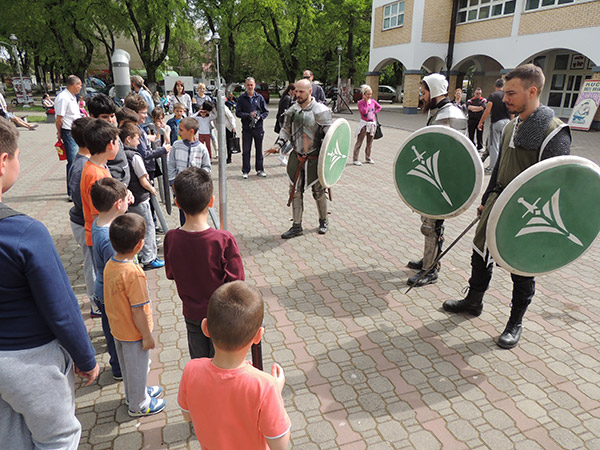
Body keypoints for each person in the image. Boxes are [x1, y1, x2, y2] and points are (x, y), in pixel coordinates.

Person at [442, 64, 571, 349]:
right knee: (480, 252)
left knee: (521, 268)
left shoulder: (554, 132)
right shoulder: (513, 125)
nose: (505, 98)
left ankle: (515, 322)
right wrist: (487, 198)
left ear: (532, 91)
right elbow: (500, 168)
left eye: (512, 93)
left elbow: (559, 183)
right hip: (498, 202)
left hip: (530, 212)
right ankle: (474, 301)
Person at [0, 119, 99, 449]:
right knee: (58, 437)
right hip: (29, 360)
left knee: (11, 437)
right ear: (3, 161)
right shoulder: (24, 234)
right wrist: (86, 359)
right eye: (16, 156)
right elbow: (62, 309)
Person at [178, 281, 290, 449]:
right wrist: (276, 393)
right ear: (258, 336)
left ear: (205, 328)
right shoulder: (265, 387)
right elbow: (280, 444)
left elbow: (187, 415)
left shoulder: (191, 370)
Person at [165, 167, 245, 359]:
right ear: (211, 201)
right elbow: (237, 282)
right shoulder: (223, 239)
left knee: (200, 363)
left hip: (192, 314)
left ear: (177, 203)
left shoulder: (171, 238)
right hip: (221, 316)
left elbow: (170, 274)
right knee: (222, 363)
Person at [406, 73, 467, 287]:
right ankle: (428, 258)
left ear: (434, 91)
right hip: (432, 176)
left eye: (424, 92)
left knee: (433, 225)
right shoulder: (438, 111)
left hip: (442, 179)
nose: (421, 96)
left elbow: (454, 153)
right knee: (428, 223)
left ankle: (430, 270)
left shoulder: (450, 114)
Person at [104, 213, 166, 416]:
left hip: (118, 329)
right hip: (134, 333)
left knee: (128, 367)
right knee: (139, 367)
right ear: (140, 244)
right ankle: (138, 404)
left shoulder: (110, 264)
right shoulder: (134, 273)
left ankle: (134, 394)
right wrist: (147, 336)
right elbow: (137, 309)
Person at [266, 78, 333, 238]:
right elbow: (286, 130)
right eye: (296, 91)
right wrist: (278, 145)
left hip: (315, 157)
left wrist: (329, 161)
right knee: (295, 191)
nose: (298, 94)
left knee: (318, 190)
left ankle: (323, 220)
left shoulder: (321, 110)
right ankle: (297, 226)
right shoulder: (292, 110)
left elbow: (330, 137)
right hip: (296, 156)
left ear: (310, 91)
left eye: (301, 91)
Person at [90, 177, 129, 380]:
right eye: (125, 199)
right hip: (112, 293)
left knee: (109, 329)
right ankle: (120, 368)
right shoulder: (110, 239)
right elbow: (117, 271)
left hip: (101, 290)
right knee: (117, 332)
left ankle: (117, 365)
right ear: (117, 204)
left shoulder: (100, 224)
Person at [68, 116, 101, 318]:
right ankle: (95, 304)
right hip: (85, 222)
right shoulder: (82, 168)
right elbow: (81, 201)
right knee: (92, 265)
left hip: (86, 221)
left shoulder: (83, 163)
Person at [119, 121, 163, 270]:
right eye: (137, 138)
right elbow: (143, 179)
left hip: (129, 199)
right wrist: (152, 189)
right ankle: (150, 258)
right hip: (141, 197)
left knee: (133, 228)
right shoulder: (135, 156)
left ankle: (136, 255)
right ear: (128, 139)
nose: (139, 142)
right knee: (148, 227)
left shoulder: (121, 155)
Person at [80, 118, 120, 249]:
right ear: (110, 145)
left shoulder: (95, 166)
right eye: (118, 142)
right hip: (104, 237)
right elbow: (99, 213)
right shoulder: (96, 175)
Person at [168, 118, 211, 226]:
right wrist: (173, 183)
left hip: (196, 189)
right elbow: (171, 165)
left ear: (191, 131)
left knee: (196, 214)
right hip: (180, 188)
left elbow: (207, 168)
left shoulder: (202, 148)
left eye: (181, 130)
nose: (178, 132)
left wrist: (199, 177)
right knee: (183, 215)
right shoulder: (177, 146)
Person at [88, 94, 131, 187]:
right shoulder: (96, 138)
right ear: (92, 116)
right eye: (105, 117)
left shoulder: (113, 130)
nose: (110, 120)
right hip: (113, 187)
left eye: (112, 116)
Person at [55, 75, 83, 199]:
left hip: (75, 130)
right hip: (68, 131)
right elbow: (59, 119)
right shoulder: (63, 98)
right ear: (73, 85)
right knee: (72, 161)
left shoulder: (72, 97)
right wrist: (59, 133)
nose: (80, 88)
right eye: (79, 85)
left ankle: (77, 188)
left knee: (77, 160)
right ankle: (72, 192)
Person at [236, 77, 269, 179]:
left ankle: (260, 169)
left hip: (258, 128)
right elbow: (238, 113)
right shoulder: (241, 98)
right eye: (248, 85)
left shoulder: (259, 97)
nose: (250, 87)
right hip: (247, 128)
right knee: (246, 150)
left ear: (254, 85)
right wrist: (248, 115)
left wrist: (259, 117)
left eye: (251, 85)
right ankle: (245, 170)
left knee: (259, 150)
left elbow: (266, 111)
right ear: (245, 86)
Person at [478, 78, 512, 174]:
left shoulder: (493, 96)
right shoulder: (507, 95)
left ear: (495, 86)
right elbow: (511, 111)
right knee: (502, 145)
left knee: (494, 145)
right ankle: (500, 166)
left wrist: (481, 122)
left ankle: (492, 168)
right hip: (507, 122)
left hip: (496, 122)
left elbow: (487, 110)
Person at [353, 85, 381, 166]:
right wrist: (366, 102)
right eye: (367, 94)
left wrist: (375, 112)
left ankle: (368, 157)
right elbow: (364, 112)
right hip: (364, 124)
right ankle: (355, 159)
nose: (369, 96)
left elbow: (379, 107)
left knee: (369, 143)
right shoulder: (360, 103)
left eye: (370, 94)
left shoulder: (373, 101)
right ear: (364, 94)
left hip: (372, 124)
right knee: (359, 142)